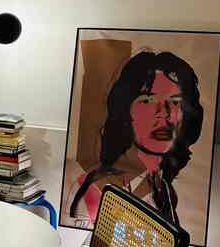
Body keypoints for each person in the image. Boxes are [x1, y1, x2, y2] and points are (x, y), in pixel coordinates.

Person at [69, 50, 203, 226]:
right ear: (125, 109)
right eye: (149, 100)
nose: (164, 114)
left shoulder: (164, 191)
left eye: (175, 101)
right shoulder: (93, 189)